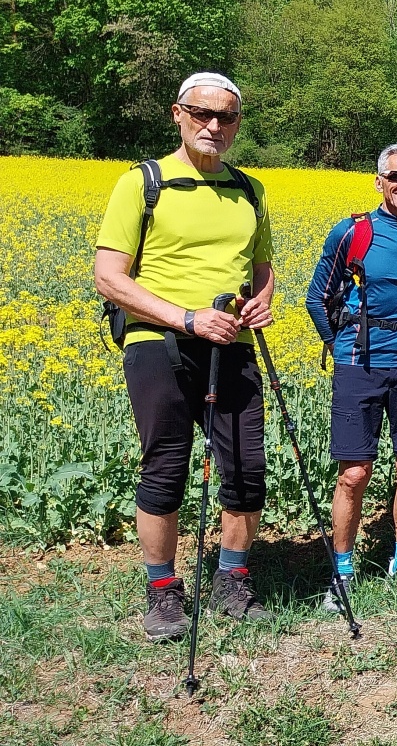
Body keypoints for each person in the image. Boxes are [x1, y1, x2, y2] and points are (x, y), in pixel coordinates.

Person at [95, 72, 275, 641]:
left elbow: (262, 269)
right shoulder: (141, 183)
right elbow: (109, 277)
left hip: (233, 345)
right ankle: (163, 592)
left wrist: (260, 302)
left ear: (237, 124)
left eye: (226, 117)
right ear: (178, 114)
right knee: (166, 466)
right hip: (159, 344)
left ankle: (232, 578)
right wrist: (187, 318)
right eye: (202, 113)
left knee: (245, 465)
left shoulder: (249, 190)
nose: (214, 125)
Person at [306, 143, 397, 606]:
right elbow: (316, 297)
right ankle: (343, 571)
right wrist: (338, 346)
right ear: (379, 181)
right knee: (353, 473)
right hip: (360, 365)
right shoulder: (353, 232)